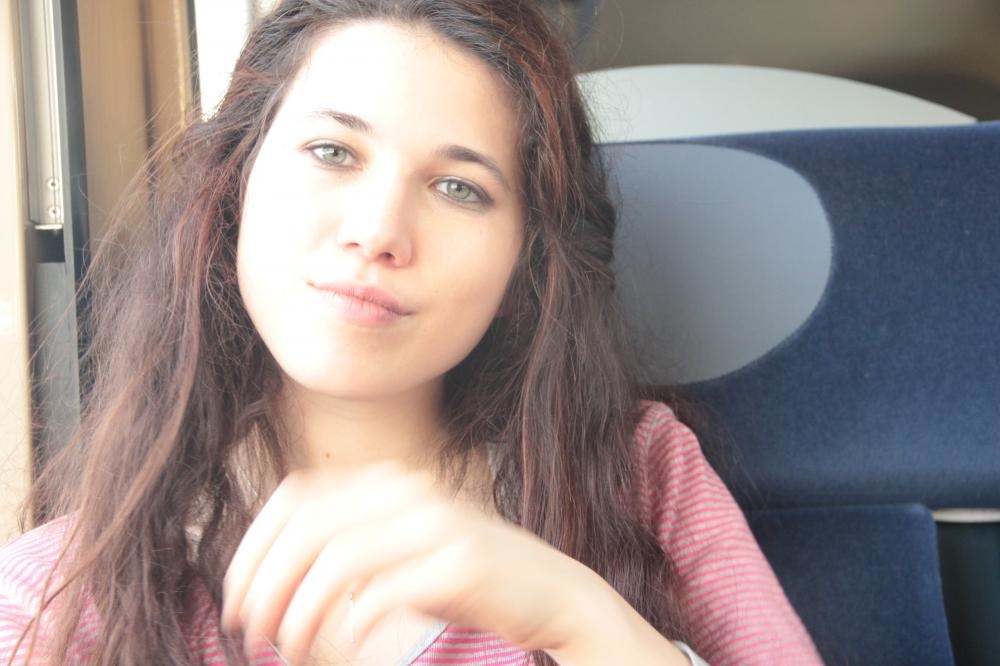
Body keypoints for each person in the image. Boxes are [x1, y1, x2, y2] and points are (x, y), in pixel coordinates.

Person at [0, 1, 822, 664]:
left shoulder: (638, 473)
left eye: (459, 188)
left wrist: (576, 617)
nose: (378, 231)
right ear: (233, 189)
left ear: (526, 267)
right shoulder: (53, 596)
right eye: (332, 151)